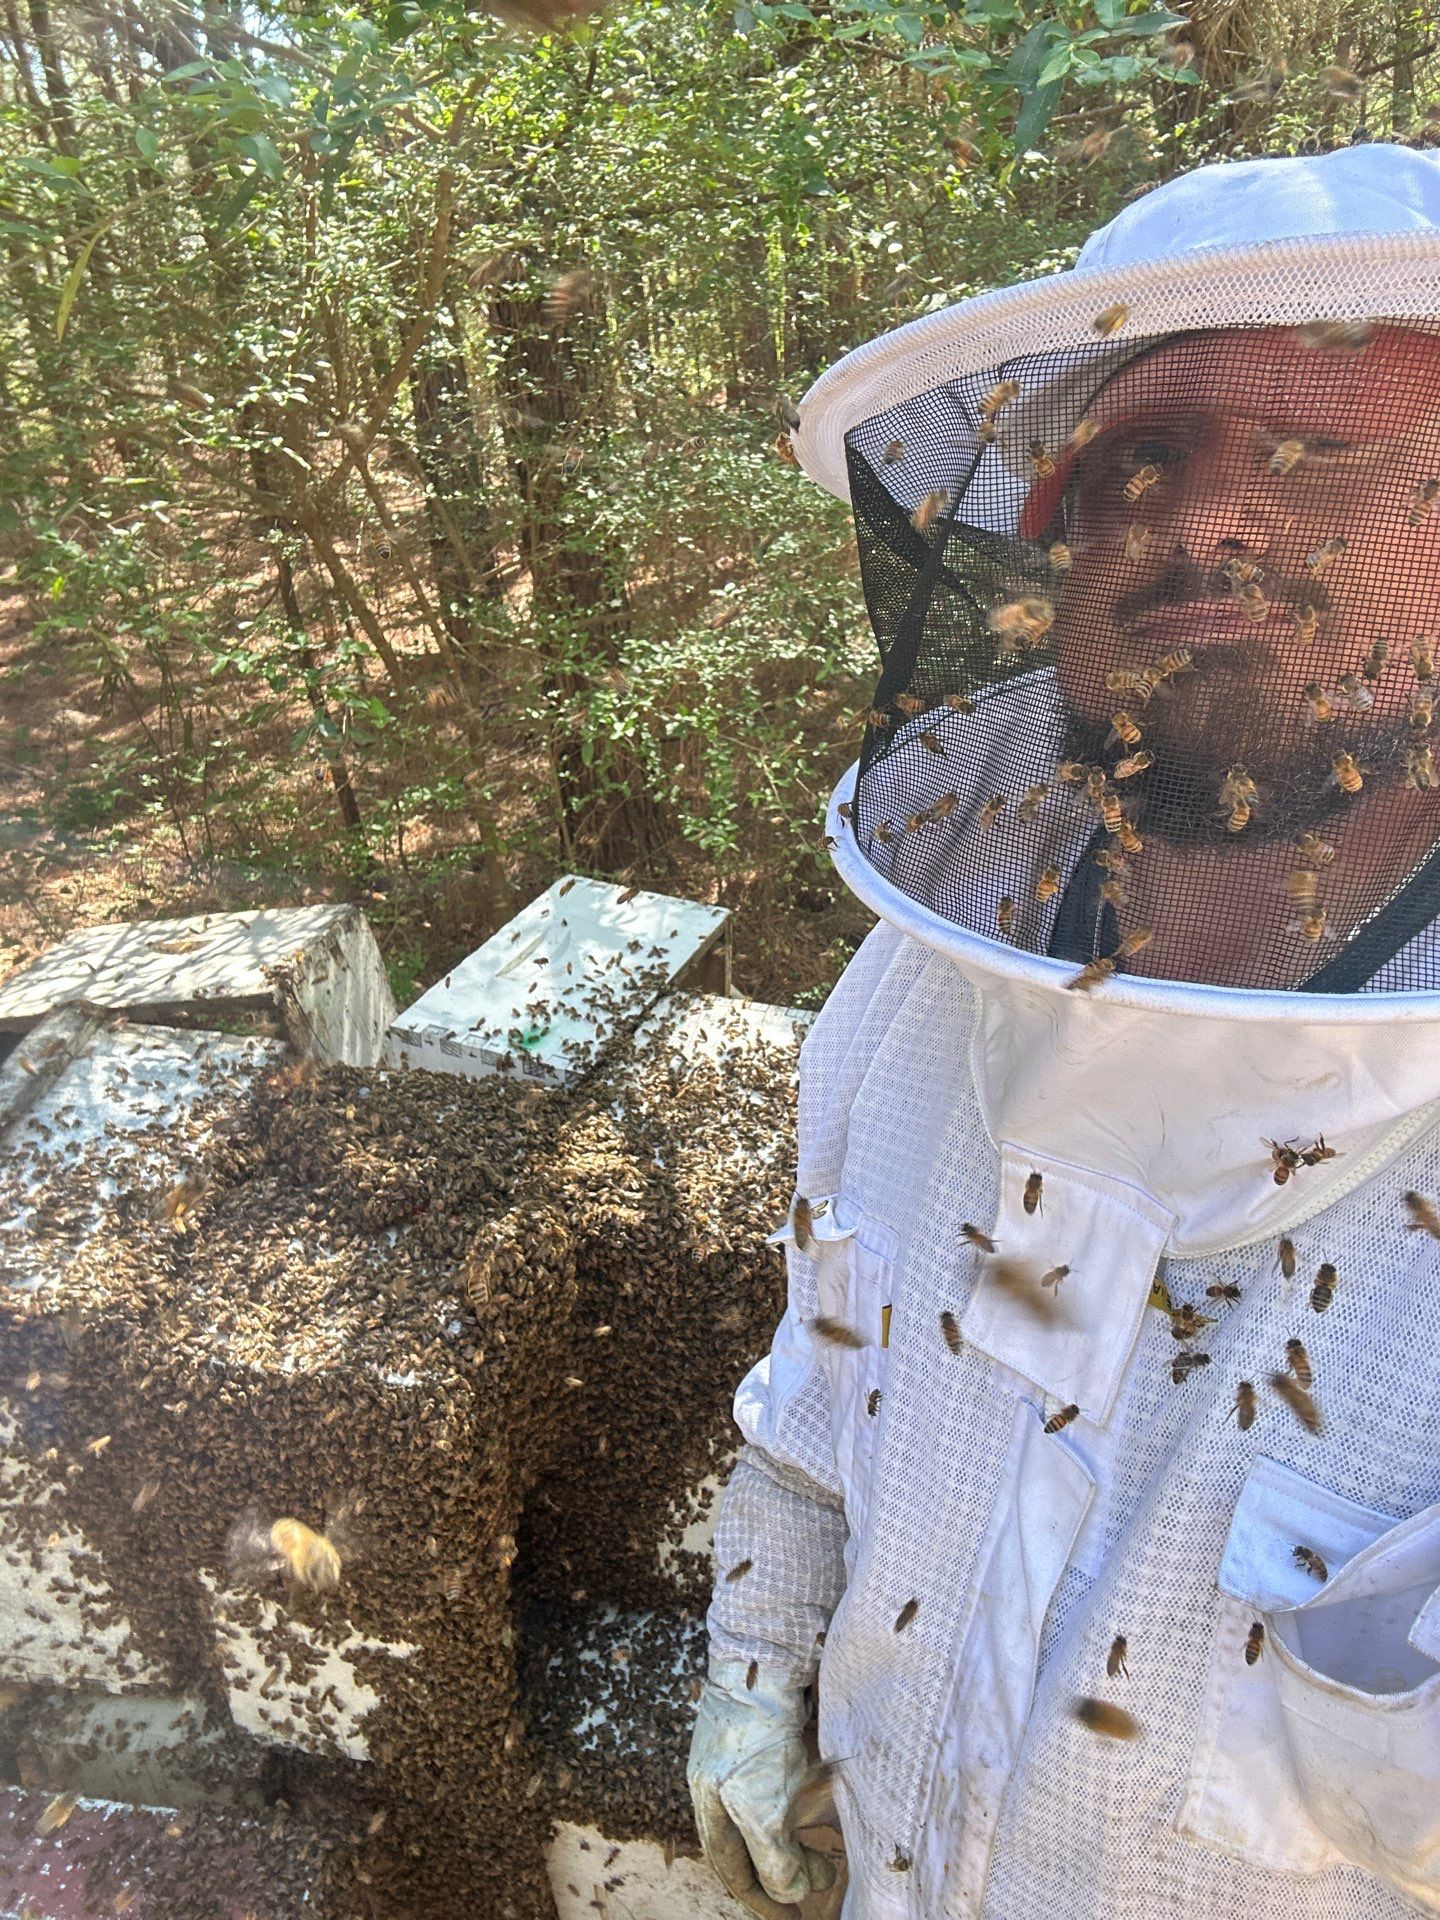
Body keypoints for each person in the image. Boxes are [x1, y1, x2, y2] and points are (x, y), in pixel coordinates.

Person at [687, 143, 1440, 1920]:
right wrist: (757, 1651)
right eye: (1138, 464)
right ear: (1050, 559)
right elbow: (827, 1369)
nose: (1210, 521)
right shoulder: (917, 982)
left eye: (1324, 454)